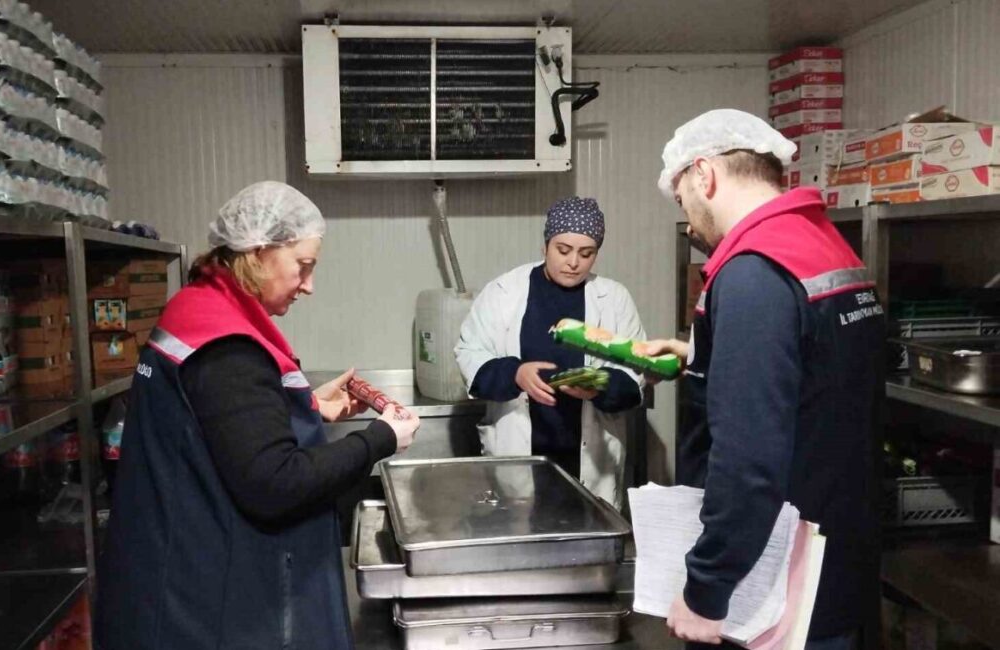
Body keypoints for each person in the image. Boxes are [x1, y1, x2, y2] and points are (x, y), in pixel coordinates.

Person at [95, 181, 420, 650]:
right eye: (302, 266)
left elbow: (219, 423)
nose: (309, 285)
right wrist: (380, 438)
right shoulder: (227, 346)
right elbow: (275, 483)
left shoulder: (196, 307)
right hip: (215, 603)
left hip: (177, 566)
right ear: (258, 251)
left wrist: (304, 406)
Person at [643, 109, 883, 649]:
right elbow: (815, 378)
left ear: (704, 175)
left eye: (683, 200)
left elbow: (748, 455)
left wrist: (707, 588)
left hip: (778, 578)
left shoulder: (753, 271)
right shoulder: (823, 245)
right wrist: (700, 355)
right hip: (840, 554)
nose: (689, 222)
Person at [455, 196, 646, 508]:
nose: (573, 262)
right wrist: (515, 373)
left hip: (589, 460)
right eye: (563, 250)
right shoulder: (504, 292)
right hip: (519, 456)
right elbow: (468, 353)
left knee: (588, 542)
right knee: (520, 542)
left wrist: (598, 384)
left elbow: (634, 374)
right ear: (545, 246)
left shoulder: (614, 298)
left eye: (586, 254)